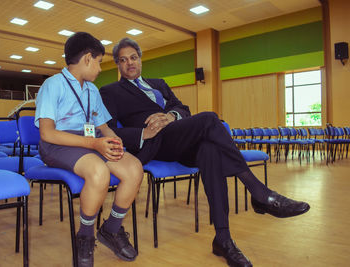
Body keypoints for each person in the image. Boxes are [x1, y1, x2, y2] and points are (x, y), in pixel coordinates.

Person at [99, 37, 310, 267]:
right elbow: (107, 129)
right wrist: (143, 133)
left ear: (140, 59)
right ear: (118, 65)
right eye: (123, 60)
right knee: (209, 118)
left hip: (178, 137)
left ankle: (223, 239)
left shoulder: (158, 84)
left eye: (133, 57)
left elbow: (183, 109)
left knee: (210, 151)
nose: (129, 63)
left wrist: (171, 116)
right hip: (154, 144)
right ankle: (259, 193)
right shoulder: (110, 91)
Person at [34, 33, 143, 267]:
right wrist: (94, 144)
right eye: (99, 61)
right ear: (87, 58)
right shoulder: (53, 85)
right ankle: (85, 235)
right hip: (57, 145)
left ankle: (111, 230)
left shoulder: (93, 90)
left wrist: (115, 143)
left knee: (134, 168)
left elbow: (103, 127)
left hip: (88, 142)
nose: (100, 68)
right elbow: (47, 133)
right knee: (98, 172)